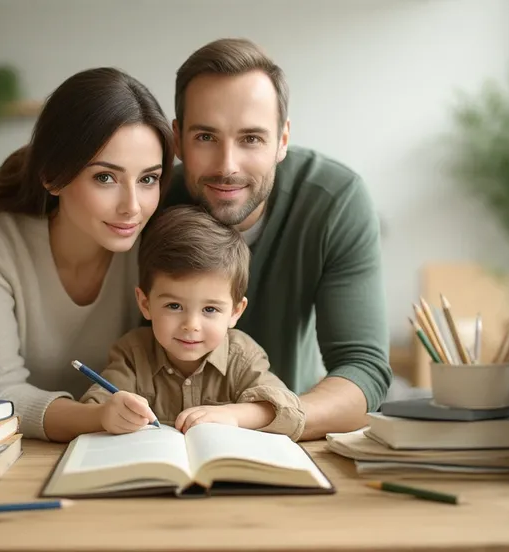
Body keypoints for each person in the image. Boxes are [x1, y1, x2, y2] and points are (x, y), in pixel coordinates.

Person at [159, 38, 393, 440]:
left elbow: (364, 368)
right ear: (177, 140)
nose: (227, 166)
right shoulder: (149, 201)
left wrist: (256, 417)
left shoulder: (335, 201)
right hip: (159, 438)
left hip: (294, 440)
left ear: (283, 139)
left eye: (251, 138)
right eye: (206, 137)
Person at [0, 67, 175, 442]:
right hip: (13, 449)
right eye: (105, 177)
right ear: (53, 175)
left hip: (129, 444)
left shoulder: (159, 229)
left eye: (148, 178)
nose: (133, 207)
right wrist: (98, 417)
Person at [75, 204, 306, 442]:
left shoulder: (242, 356)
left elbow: (291, 411)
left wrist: (234, 415)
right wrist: (107, 414)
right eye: (174, 306)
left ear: (236, 312)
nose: (191, 325)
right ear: (145, 304)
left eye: (210, 309)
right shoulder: (132, 354)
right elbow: (93, 406)